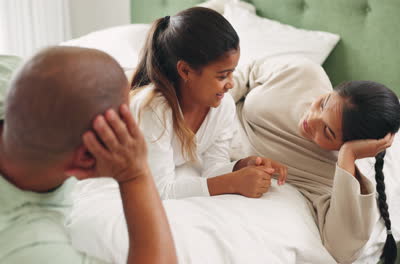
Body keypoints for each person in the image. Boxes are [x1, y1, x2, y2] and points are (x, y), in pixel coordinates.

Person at [0, 46, 177, 264]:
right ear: (85, 157)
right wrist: (135, 175)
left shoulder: (8, 72)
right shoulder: (28, 245)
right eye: (124, 120)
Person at [232, 56, 400, 264]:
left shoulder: (327, 174)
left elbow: (342, 250)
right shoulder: (304, 72)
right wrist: (212, 109)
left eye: (328, 132)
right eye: (323, 103)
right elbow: (248, 71)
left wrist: (348, 155)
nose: (311, 120)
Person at [130, 7, 287, 200]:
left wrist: (242, 166)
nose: (231, 83)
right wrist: (232, 182)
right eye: (222, 75)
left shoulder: (222, 105)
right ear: (186, 71)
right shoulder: (154, 109)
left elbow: (213, 168)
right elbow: (159, 190)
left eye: (232, 72)